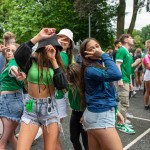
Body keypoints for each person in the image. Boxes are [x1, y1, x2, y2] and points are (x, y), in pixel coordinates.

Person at [14, 28, 68, 150]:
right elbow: (18, 54)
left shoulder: (56, 65)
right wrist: (38, 36)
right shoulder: (30, 61)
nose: (49, 49)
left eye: (54, 47)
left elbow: (62, 85)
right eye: (46, 47)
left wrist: (53, 60)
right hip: (30, 107)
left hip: (49, 110)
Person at [80, 38, 124, 150]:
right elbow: (117, 74)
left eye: (97, 46)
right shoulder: (91, 69)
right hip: (100, 117)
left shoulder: (98, 67)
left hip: (97, 114)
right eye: (92, 48)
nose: (96, 49)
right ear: (86, 54)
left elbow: (102, 93)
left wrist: (116, 110)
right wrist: (104, 54)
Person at [0, 44, 25, 150]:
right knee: (10, 136)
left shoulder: (13, 64)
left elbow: (13, 70)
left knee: (2, 140)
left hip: (9, 102)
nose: (9, 52)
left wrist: (17, 74)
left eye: (13, 51)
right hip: (14, 101)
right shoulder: (11, 63)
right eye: (8, 50)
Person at [55, 28, 74, 150]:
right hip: (57, 98)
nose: (62, 40)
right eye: (60, 37)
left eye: (66, 39)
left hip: (56, 98)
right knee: (53, 136)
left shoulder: (62, 55)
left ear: (70, 43)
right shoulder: (64, 55)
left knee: (53, 136)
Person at [115, 34, 136, 134]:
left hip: (127, 80)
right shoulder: (122, 50)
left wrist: (131, 82)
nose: (133, 39)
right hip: (123, 80)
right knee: (123, 103)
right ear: (126, 40)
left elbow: (129, 69)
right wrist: (120, 79)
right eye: (131, 38)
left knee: (125, 102)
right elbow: (117, 65)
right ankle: (120, 123)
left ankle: (122, 120)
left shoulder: (127, 52)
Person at [67, 63, 88, 150]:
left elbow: (90, 102)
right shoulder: (70, 85)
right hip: (75, 113)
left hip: (84, 113)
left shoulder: (84, 86)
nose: (67, 76)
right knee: (73, 138)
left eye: (70, 76)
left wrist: (85, 115)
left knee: (86, 140)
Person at [142, 40, 150, 110]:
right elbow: (148, 66)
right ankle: (146, 104)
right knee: (148, 90)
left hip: (148, 73)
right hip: (149, 74)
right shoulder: (147, 56)